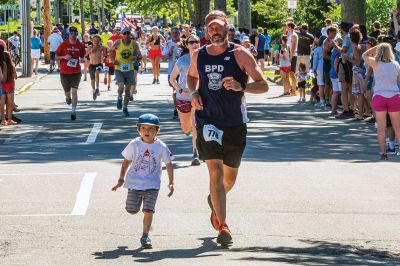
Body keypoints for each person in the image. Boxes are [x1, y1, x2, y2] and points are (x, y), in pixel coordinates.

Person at [186, 10, 268, 246]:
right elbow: (192, 78)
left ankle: (215, 200)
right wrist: (193, 93)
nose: (215, 31)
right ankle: (223, 226)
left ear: (227, 28)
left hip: (234, 123)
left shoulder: (240, 54)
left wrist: (241, 86)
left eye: (219, 27)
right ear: (205, 31)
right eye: (210, 28)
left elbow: (263, 86)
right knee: (216, 173)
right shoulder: (198, 55)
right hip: (207, 121)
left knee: (229, 179)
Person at [111, 113, 174, 249]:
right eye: (143, 128)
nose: (147, 131)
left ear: (157, 130)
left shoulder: (161, 146)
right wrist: (121, 179)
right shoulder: (134, 144)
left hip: (152, 184)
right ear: (138, 129)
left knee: (148, 210)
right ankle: (135, 206)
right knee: (132, 209)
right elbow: (126, 162)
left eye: (151, 128)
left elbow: (168, 164)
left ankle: (145, 236)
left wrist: (171, 182)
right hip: (134, 183)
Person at [362, 43, 400, 159]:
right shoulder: (396, 64)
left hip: (379, 96)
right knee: (397, 126)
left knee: (381, 127)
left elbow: (364, 55)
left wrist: (375, 47)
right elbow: (398, 80)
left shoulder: (375, 63)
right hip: (394, 96)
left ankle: (383, 153)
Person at [169, 34, 201, 166]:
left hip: (198, 97)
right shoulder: (182, 60)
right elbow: (172, 79)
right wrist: (180, 90)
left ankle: (195, 153)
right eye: (191, 42)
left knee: (195, 125)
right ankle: (187, 131)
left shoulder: (204, 58)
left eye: (197, 41)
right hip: (183, 97)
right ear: (187, 45)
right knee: (186, 127)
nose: (194, 44)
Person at [55, 26, 86, 121]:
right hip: (64, 72)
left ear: (77, 35)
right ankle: (67, 97)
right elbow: (56, 57)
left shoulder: (80, 45)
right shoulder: (63, 45)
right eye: (71, 33)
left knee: (74, 91)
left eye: (75, 34)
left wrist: (83, 59)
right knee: (67, 93)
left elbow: (83, 56)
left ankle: (73, 111)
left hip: (76, 72)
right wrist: (64, 57)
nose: (73, 35)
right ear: (69, 35)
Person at [110, 27, 142, 116]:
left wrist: (136, 57)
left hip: (130, 69)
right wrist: (113, 60)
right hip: (119, 68)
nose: (127, 35)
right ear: (122, 35)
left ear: (130, 35)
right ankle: (119, 97)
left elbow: (140, 56)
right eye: (125, 34)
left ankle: (125, 108)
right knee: (121, 87)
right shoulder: (118, 42)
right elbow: (111, 50)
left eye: (128, 34)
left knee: (127, 90)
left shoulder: (134, 44)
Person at [162, 26, 182, 119]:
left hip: (183, 71)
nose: (175, 34)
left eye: (177, 33)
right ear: (171, 34)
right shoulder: (168, 44)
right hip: (172, 71)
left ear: (179, 33)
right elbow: (164, 58)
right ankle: (176, 108)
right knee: (176, 90)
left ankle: (182, 107)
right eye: (173, 33)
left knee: (182, 90)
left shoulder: (184, 43)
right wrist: (170, 52)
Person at [0, 45, 16, 125]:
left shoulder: (1, 64)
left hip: (2, 85)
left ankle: (3, 120)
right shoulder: (11, 65)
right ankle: (9, 120)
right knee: (10, 104)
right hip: (10, 85)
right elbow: (15, 77)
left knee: (2, 104)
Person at [86, 34, 105, 100]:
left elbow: (105, 54)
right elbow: (86, 54)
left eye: (97, 40)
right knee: (92, 79)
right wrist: (92, 49)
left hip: (99, 64)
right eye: (94, 40)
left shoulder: (101, 47)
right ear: (92, 41)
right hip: (91, 65)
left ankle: (97, 88)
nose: (96, 42)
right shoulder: (90, 47)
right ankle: (93, 90)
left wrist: (105, 57)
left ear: (100, 41)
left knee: (97, 73)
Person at [312, 36, 326, 106]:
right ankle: (327, 100)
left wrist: (314, 69)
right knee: (327, 85)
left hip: (320, 68)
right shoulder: (327, 49)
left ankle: (322, 100)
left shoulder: (317, 49)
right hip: (327, 68)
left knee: (320, 85)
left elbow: (315, 61)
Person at [286, 22, 299, 96]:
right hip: (289, 55)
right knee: (290, 73)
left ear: (290, 27)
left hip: (293, 55)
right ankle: (293, 89)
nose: (286, 28)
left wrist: (290, 57)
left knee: (292, 73)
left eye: (287, 26)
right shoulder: (289, 34)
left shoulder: (294, 35)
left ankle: (294, 91)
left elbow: (293, 47)